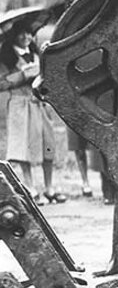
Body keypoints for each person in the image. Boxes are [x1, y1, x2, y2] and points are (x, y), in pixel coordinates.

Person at [0, 20, 66, 204]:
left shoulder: (37, 54)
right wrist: (22, 75)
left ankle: (49, 187)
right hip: (20, 105)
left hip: (39, 105)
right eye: (21, 33)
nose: (26, 37)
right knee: (24, 148)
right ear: (13, 36)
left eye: (29, 33)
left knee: (48, 145)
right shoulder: (5, 57)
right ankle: (30, 187)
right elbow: (2, 83)